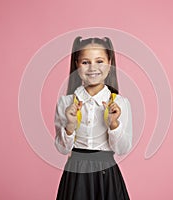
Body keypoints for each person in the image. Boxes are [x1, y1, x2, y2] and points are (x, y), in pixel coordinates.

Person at [54, 36, 132, 200]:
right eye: (85, 62)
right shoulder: (66, 102)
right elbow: (62, 149)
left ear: (109, 63)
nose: (92, 68)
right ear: (76, 64)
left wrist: (114, 124)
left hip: (107, 177)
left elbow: (123, 149)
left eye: (99, 61)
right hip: (76, 175)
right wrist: (70, 125)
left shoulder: (120, 103)